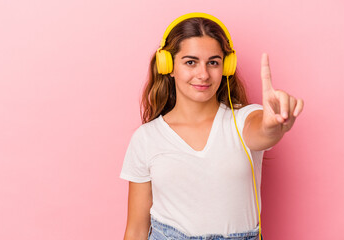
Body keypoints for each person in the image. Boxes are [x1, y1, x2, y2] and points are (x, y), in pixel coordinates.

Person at [119, 12, 304, 240]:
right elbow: (136, 230)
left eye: (213, 62)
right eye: (190, 62)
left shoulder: (243, 119)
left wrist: (275, 123)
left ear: (226, 67)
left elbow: (264, 131)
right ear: (168, 66)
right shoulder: (146, 138)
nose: (203, 74)